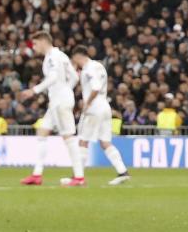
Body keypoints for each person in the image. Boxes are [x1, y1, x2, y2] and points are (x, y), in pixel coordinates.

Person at [19, 31, 85, 187]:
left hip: (60, 101)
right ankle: (37, 174)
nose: (34, 48)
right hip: (58, 100)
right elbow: (75, 77)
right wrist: (66, 91)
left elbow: (54, 77)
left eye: (35, 44)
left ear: (43, 41)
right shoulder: (61, 56)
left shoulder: (52, 56)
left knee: (68, 137)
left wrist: (34, 90)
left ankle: (79, 176)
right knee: (42, 132)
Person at [71, 48, 131, 186]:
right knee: (105, 142)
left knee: (83, 141)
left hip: (94, 109)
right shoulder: (99, 66)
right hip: (105, 107)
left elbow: (96, 87)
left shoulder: (88, 68)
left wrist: (87, 103)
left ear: (78, 57)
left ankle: (78, 176)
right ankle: (122, 172)